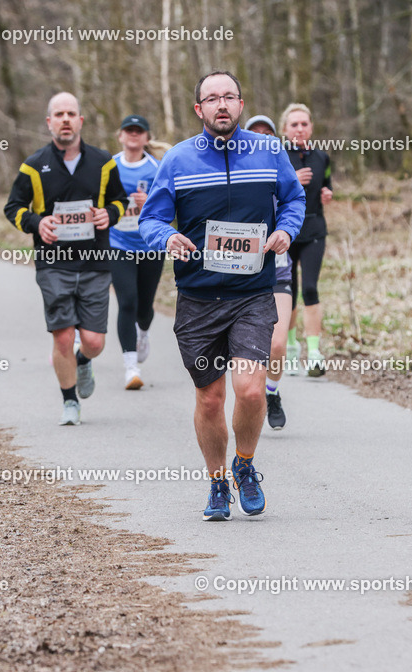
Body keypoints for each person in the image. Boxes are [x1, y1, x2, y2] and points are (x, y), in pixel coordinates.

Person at [139, 72, 305, 521]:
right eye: (212, 99)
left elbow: (293, 200)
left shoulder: (270, 152)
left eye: (229, 96)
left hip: (252, 293)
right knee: (210, 399)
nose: (222, 105)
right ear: (199, 110)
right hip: (198, 298)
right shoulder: (177, 160)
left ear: (241, 103)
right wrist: (167, 238)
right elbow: (150, 219)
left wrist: (286, 230)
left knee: (250, 391)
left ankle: (245, 465)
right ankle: (216, 482)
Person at [3, 92, 128, 426]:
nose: (65, 119)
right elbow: (13, 208)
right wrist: (37, 222)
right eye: (58, 114)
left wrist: (108, 216)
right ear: (49, 122)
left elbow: (120, 201)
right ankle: (70, 400)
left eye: (71, 113)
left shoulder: (103, 162)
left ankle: (83, 360)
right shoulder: (33, 165)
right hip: (53, 263)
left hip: (95, 261)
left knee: (93, 341)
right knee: (61, 335)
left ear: (81, 120)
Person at [244, 114, 291, 429]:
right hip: (240, 272)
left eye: (268, 134)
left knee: (276, 345)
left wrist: (286, 230)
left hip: (277, 269)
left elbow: (297, 206)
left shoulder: (281, 171)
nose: (262, 138)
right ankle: (251, 394)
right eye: (255, 133)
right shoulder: (231, 172)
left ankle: (271, 392)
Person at [110, 114, 163, 390]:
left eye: (138, 131)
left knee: (145, 307)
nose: (133, 135)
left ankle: (143, 332)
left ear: (146, 137)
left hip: (150, 246)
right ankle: (131, 367)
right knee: (127, 301)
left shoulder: (156, 168)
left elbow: (170, 207)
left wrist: (149, 203)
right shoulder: (110, 166)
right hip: (118, 243)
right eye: (128, 130)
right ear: (120, 135)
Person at [281, 103, 333, 377]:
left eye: (304, 124)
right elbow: (271, 194)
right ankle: (291, 349)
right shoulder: (278, 157)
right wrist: (293, 181)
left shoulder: (322, 157)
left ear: (311, 127)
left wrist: (327, 193)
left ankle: (314, 352)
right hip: (286, 233)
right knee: (288, 293)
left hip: (314, 229)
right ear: (284, 130)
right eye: (294, 125)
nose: (300, 129)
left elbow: (327, 184)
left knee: (310, 289)